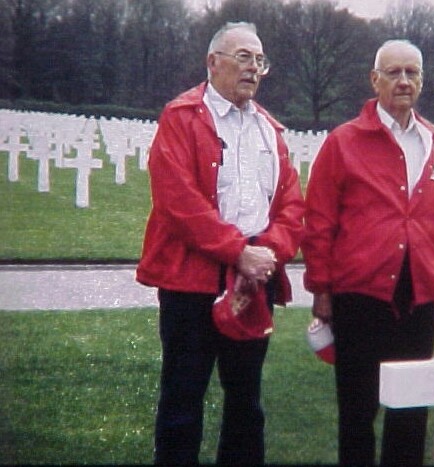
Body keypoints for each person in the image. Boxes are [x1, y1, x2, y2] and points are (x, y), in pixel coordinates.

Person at [136, 22, 304, 465]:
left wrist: (269, 253)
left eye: (260, 60)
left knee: (246, 400)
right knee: (182, 400)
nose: (253, 68)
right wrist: (238, 252)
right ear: (213, 62)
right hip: (192, 284)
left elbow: (291, 204)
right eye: (243, 57)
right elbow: (178, 202)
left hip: (254, 282)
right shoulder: (181, 117)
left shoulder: (271, 130)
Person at [301, 39, 434, 465]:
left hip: (422, 298)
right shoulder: (344, 142)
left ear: (423, 81)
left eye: (412, 73)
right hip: (361, 296)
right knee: (358, 412)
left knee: (411, 412)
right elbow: (319, 222)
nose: (404, 81)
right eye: (393, 73)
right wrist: (321, 290)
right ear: (374, 80)